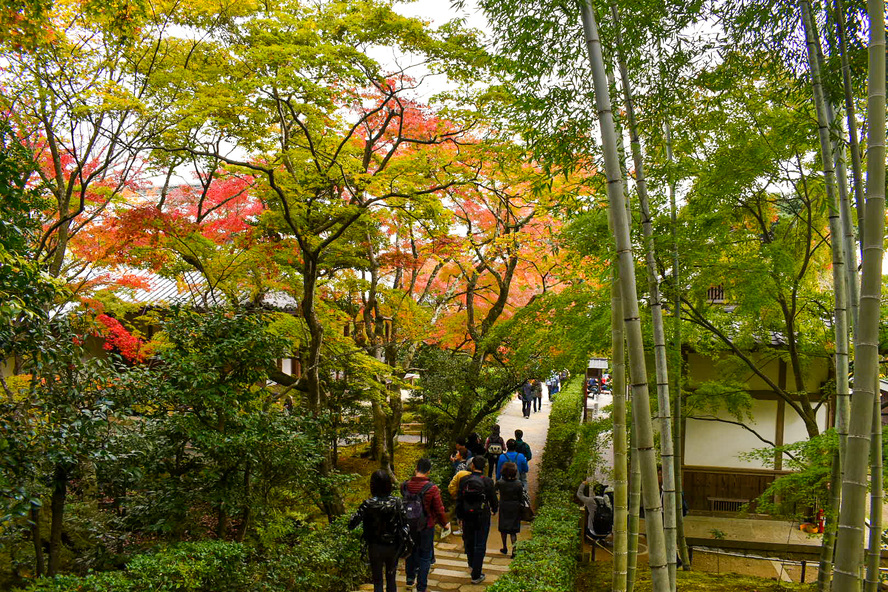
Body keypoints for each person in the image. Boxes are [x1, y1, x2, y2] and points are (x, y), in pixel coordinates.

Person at [348, 470, 409, 592]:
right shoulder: (397, 502)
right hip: (393, 546)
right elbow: (405, 522)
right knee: (391, 577)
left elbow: (352, 524)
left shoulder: (367, 504)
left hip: (375, 546)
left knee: (377, 580)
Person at [401, 459, 450, 592]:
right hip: (426, 526)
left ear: (416, 468)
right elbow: (439, 509)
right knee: (425, 556)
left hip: (409, 524)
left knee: (410, 551)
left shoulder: (405, 486)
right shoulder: (431, 488)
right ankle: (421, 586)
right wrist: (445, 524)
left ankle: (409, 579)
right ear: (429, 471)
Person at [456, 456, 498, 584]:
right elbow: (493, 499)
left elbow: (459, 499)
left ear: (472, 466)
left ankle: (471, 564)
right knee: (480, 543)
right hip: (482, 515)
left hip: (467, 515)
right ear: (484, 467)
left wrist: (459, 516)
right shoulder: (488, 481)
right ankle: (476, 574)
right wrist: (495, 509)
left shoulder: (464, 480)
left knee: (469, 540)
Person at [495, 461, 524, 558]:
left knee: (503, 528)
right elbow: (521, 498)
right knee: (513, 531)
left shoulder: (500, 483)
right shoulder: (518, 484)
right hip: (515, 506)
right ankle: (514, 550)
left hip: (504, 505)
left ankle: (504, 547)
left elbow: (494, 491)